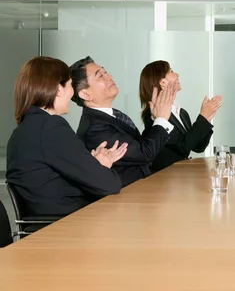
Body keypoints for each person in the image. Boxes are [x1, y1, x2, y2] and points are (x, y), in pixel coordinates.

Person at [6, 56, 126, 217]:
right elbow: (109, 184)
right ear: (58, 89)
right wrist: (102, 166)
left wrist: (93, 166)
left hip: (47, 227)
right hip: (67, 227)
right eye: (70, 85)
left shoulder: (25, 130)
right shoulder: (51, 128)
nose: (72, 93)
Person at [70, 56, 176, 186]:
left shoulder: (112, 115)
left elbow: (138, 146)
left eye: (105, 71)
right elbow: (144, 153)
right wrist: (161, 119)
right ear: (86, 95)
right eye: (100, 76)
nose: (109, 76)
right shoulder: (95, 129)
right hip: (127, 198)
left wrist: (156, 118)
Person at [139, 60, 222, 173]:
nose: (177, 74)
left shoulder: (181, 112)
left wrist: (206, 119)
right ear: (162, 82)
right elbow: (183, 146)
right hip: (162, 179)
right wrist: (202, 117)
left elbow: (198, 147)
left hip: (180, 176)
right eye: (171, 71)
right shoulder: (155, 114)